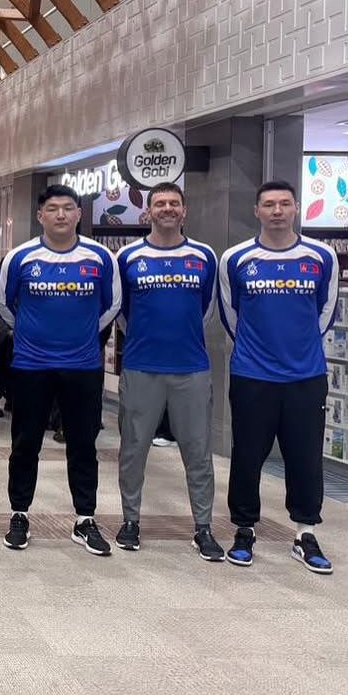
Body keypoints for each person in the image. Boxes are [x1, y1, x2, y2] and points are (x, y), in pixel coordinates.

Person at [219, 180, 338, 573]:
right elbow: (230, 315)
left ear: (296, 208)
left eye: (284, 204)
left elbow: (326, 312)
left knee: (305, 456)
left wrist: (298, 348)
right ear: (256, 210)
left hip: (306, 376)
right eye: (268, 204)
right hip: (252, 375)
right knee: (247, 454)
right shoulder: (236, 259)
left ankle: (305, 533)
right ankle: (244, 529)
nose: (277, 211)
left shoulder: (321, 256)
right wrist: (261, 349)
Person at [0, 184, 121, 556]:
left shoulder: (100, 257)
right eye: (53, 208)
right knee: (25, 443)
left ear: (79, 214)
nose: (61, 214)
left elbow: (112, 305)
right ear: (40, 216)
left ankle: (85, 519)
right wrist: (27, 332)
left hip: (83, 365)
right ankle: (19, 513)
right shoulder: (20, 257)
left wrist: (83, 334)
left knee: (83, 444)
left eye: (68, 207)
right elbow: (3, 304)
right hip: (31, 365)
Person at [113, 182, 223, 560]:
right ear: (148, 211)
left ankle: (203, 527)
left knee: (198, 452)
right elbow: (122, 312)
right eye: (159, 203)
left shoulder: (203, 256)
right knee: (133, 449)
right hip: (141, 366)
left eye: (174, 202)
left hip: (191, 367)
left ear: (184, 210)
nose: (167, 208)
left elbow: (207, 308)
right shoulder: (128, 257)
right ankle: (130, 521)